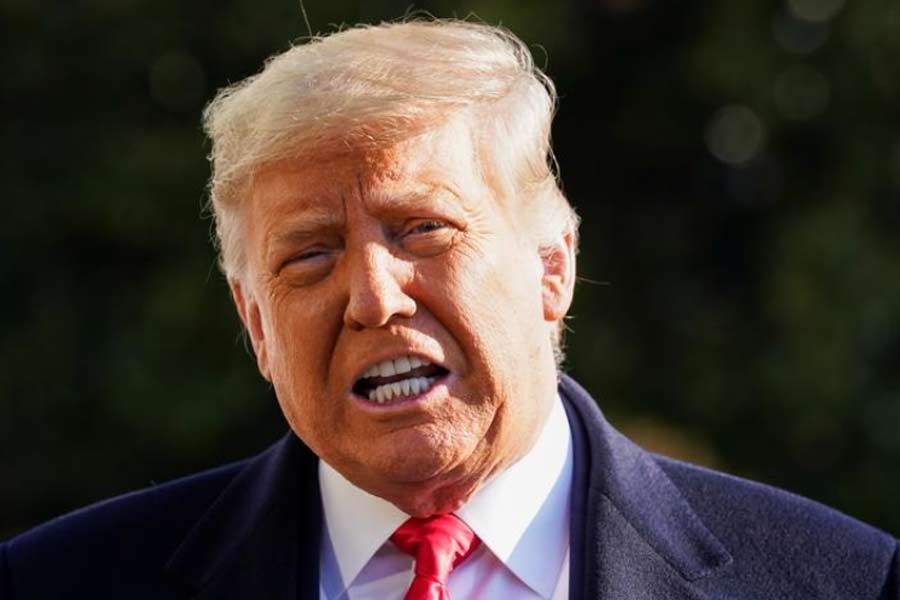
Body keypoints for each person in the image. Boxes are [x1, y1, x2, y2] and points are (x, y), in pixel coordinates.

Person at [1, 19, 897, 600]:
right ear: (256, 325)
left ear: (553, 268)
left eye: (423, 230)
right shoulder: (56, 585)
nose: (373, 296)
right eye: (311, 254)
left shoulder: (849, 584)